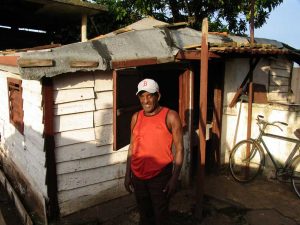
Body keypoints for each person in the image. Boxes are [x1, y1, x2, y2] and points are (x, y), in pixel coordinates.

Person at [124, 78, 184, 225]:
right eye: (142, 96)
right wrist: (127, 174)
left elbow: (180, 148)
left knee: (161, 216)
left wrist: (174, 177)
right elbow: (132, 147)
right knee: (144, 215)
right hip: (138, 176)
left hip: (160, 176)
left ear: (158, 96)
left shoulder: (170, 116)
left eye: (150, 95)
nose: (146, 100)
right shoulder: (136, 117)